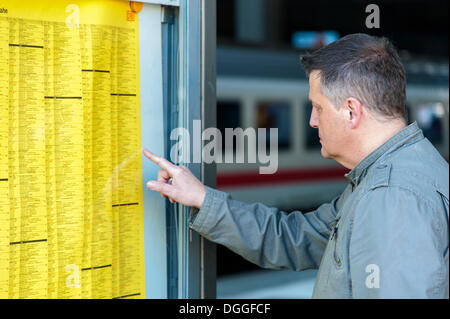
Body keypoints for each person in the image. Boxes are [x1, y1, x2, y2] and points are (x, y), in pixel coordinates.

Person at [143, 33, 449, 298]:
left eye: (317, 107)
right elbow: (295, 238)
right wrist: (203, 199)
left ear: (351, 111)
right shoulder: (385, 177)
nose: (312, 121)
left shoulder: (394, 197)